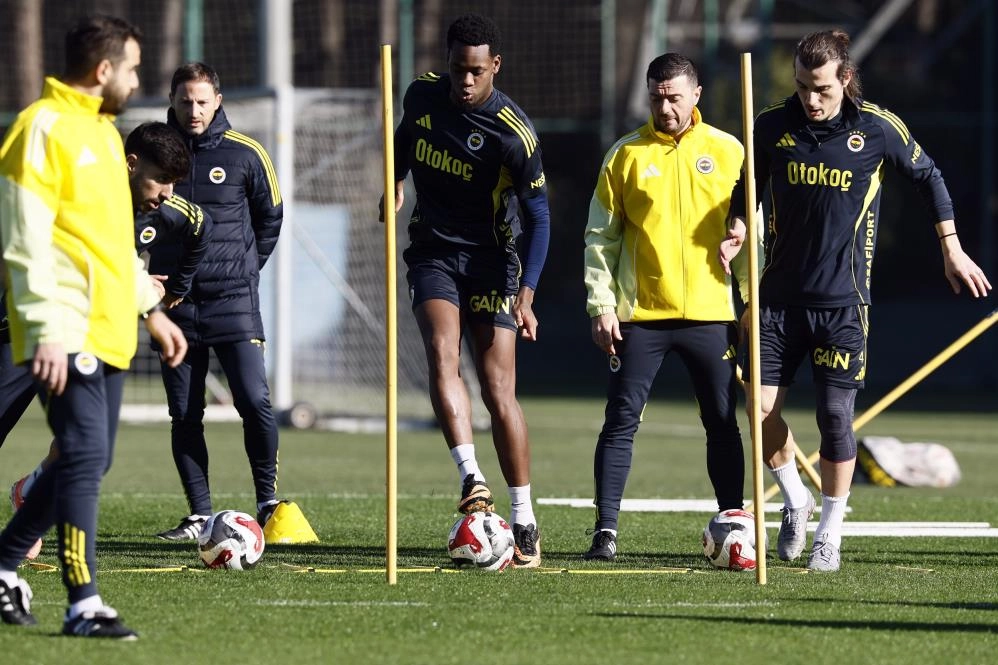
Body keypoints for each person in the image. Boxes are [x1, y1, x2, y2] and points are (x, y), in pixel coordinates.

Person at [719, 29, 991, 572]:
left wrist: (952, 248)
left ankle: (830, 532)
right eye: (801, 86)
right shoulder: (771, 124)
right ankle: (795, 500)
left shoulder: (877, 128)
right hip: (777, 300)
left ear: (845, 79)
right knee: (758, 409)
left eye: (820, 88)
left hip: (843, 304)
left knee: (834, 417)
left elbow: (929, 177)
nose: (810, 99)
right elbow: (748, 185)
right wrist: (738, 226)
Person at [0, 15, 187, 638]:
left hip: (110, 329)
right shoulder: (40, 129)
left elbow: (110, 245)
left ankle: (2, 565)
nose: (136, 81)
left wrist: (150, 311)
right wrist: (45, 328)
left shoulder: (105, 137)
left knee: (90, 459)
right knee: (81, 455)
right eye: (132, 69)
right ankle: (84, 603)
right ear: (104, 70)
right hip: (66, 326)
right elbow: (24, 240)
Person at [385, 14, 550, 567]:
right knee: (441, 351)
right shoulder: (422, 95)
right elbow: (404, 140)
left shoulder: (513, 133)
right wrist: (396, 179)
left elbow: (540, 217)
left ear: (495, 66)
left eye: (476, 71)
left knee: (498, 390)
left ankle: (523, 515)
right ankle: (472, 478)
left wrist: (528, 291)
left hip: (493, 262)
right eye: (458, 69)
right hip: (433, 251)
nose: (465, 81)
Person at [6, 121, 213, 558]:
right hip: (20, 327)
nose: (168, 195)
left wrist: (164, 294)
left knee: (87, 447)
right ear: (131, 164)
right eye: (161, 180)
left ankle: (27, 513)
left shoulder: (163, 208)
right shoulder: (84, 193)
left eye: (175, 184)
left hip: (80, 334)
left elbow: (199, 227)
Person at [582, 53, 750, 562]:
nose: (665, 107)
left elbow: (752, 234)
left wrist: (751, 302)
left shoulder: (730, 150)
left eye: (674, 96)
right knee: (620, 420)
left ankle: (734, 524)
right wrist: (601, 304)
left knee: (722, 420)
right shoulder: (625, 154)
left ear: (696, 94)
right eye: (656, 96)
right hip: (641, 317)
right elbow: (600, 237)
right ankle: (605, 531)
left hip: (712, 313)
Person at [156, 61, 284, 540]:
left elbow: (270, 218)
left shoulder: (247, 153)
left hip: (234, 303)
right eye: (185, 101)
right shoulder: (152, 154)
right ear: (172, 101)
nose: (193, 110)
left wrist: (245, 268)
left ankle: (267, 503)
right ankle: (199, 515)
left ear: (218, 102)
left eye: (202, 102)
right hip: (175, 308)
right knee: (185, 414)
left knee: (254, 400)